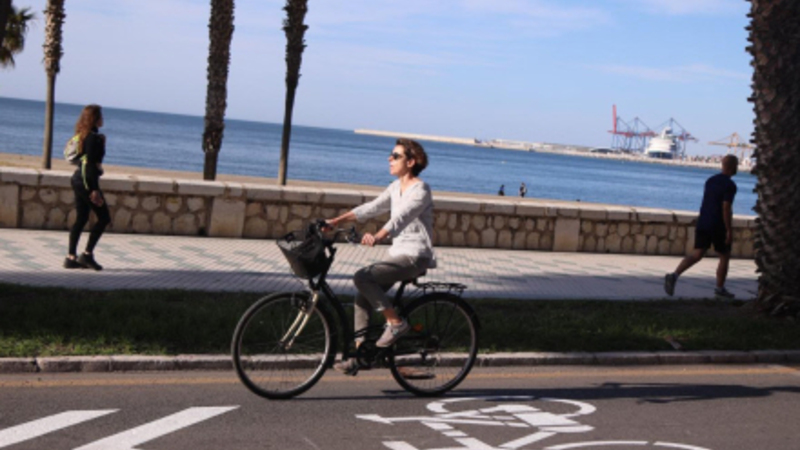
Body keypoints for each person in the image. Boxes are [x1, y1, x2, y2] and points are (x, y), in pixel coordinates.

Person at [326, 138, 435, 375]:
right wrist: (335, 221)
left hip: (415, 255)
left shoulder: (421, 190)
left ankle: (396, 323)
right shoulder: (395, 187)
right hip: (397, 254)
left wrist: (378, 236)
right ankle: (362, 356)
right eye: (391, 155)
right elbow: (372, 208)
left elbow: (402, 217)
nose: (389, 159)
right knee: (362, 298)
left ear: (411, 162)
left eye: (395, 156)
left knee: (362, 277)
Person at [664, 154, 739, 300]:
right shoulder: (730, 185)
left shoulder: (710, 181)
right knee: (724, 255)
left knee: (697, 254)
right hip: (718, 224)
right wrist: (729, 230)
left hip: (704, 221)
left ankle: (674, 275)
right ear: (733, 167)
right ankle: (719, 289)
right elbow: (725, 207)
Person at [63, 104, 110, 271]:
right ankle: (87, 255)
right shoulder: (93, 138)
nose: (103, 119)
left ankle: (71, 258)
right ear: (95, 119)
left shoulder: (84, 135)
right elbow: (90, 165)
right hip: (85, 182)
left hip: (78, 180)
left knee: (82, 218)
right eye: (101, 116)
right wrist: (94, 189)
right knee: (104, 218)